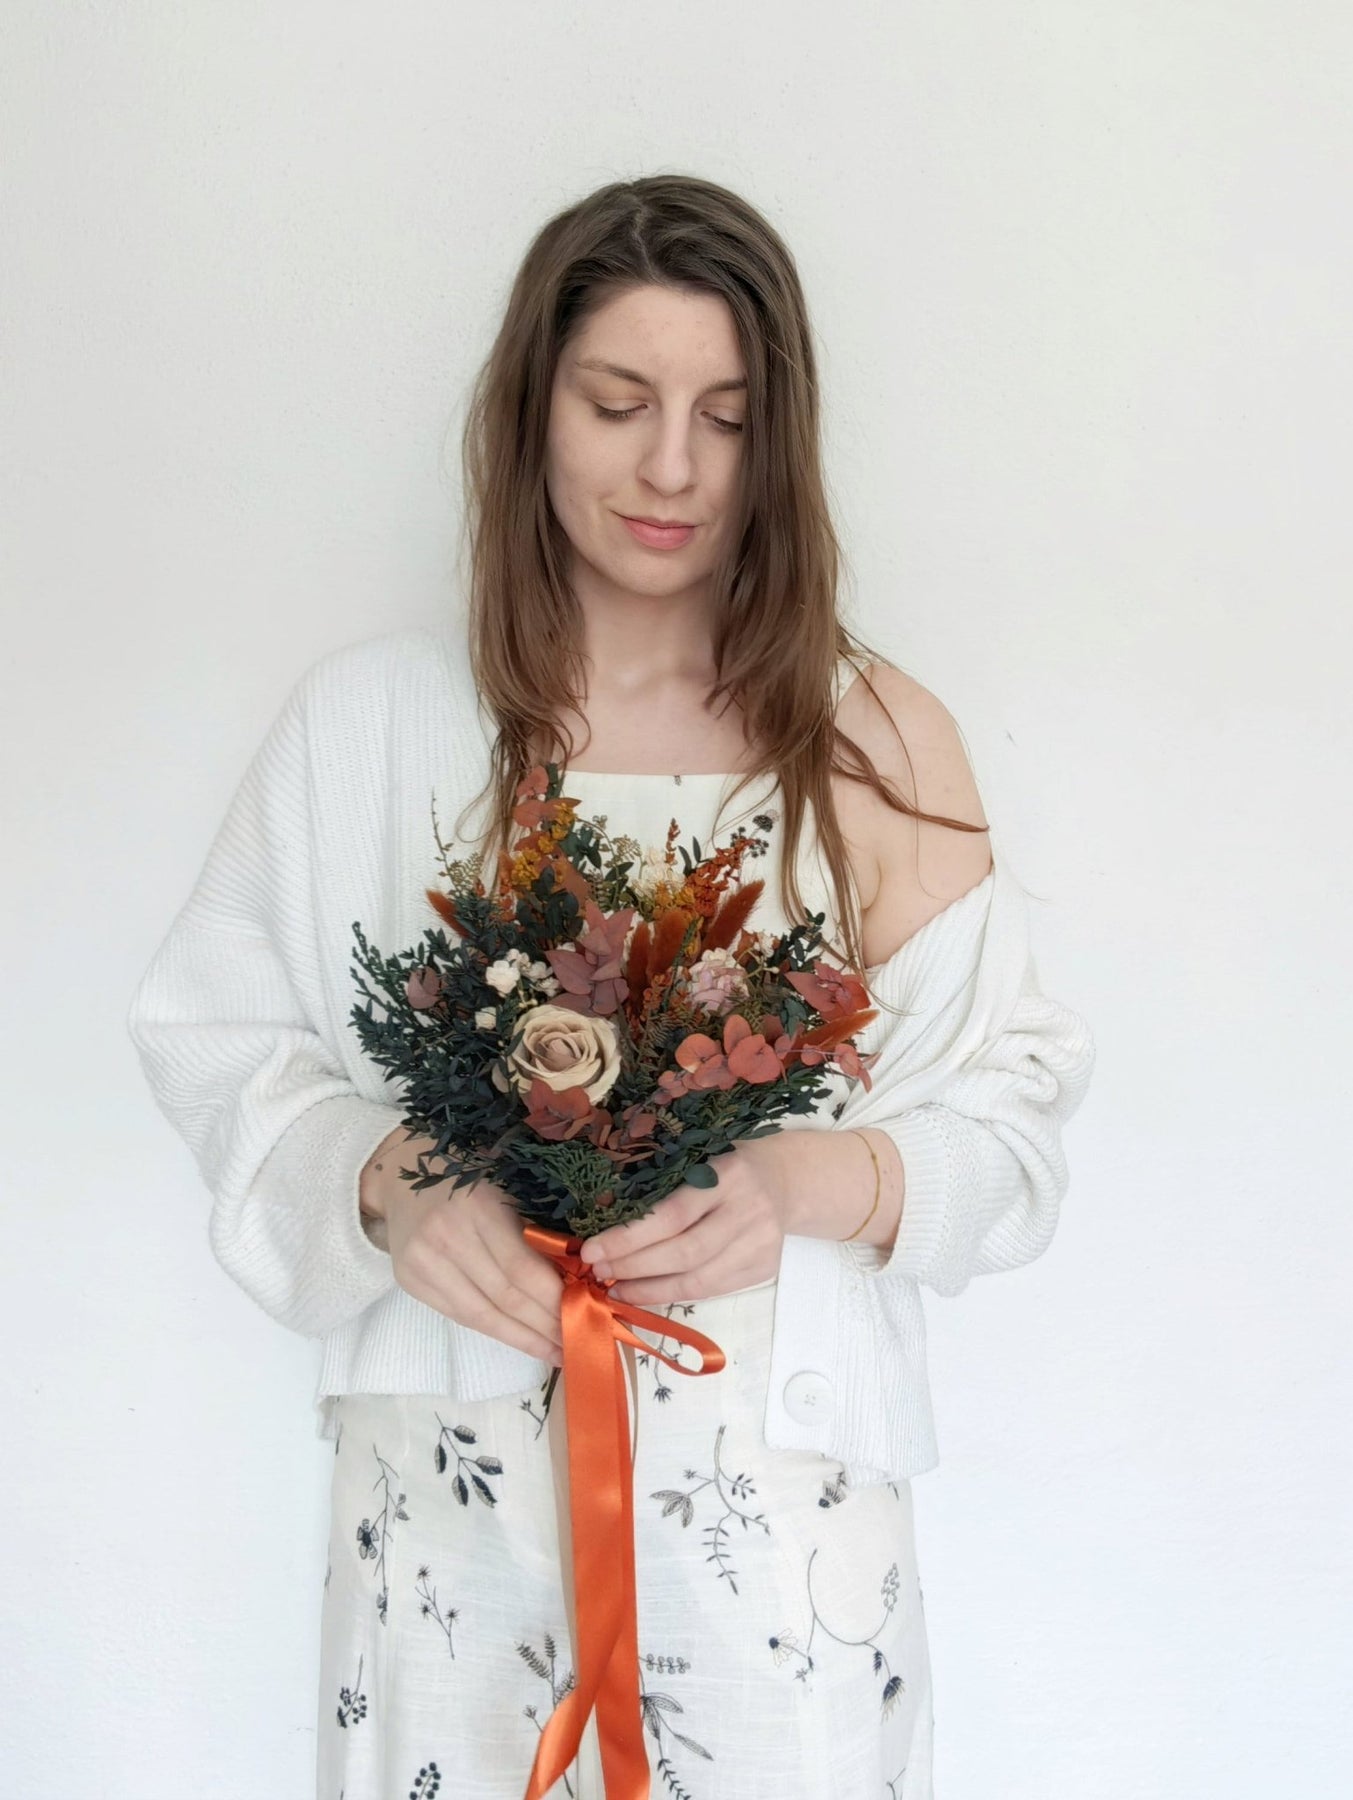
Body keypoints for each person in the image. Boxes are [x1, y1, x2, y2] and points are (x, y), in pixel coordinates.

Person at [127, 174, 1096, 1800]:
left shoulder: (867, 740)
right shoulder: (371, 726)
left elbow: (1012, 1128)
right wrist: (388, 1181)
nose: (671, 470)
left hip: (778, 1528)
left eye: (726, 417)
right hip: (447, 1523)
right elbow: (214, 1043)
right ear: (531, 409)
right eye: (617, 402)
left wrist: (803, 1183)